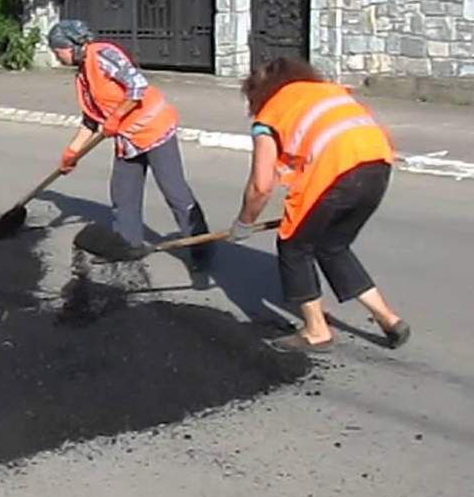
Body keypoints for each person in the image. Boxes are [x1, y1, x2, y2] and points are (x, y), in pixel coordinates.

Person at [229, 57, 410, 353]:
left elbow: (261, 186)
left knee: (293, 246)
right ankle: (389, 320)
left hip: (336, 174)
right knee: (332, 246)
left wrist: (244, 223)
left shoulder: (271, 115)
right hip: (378, 167)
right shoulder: (329, 92)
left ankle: (316, 331)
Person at [48, 19, 211, 270]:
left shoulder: (103, 55)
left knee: (174, 192)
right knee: (123, 194)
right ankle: (128, 245)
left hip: (154, 130)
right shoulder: (82, 76)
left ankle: (201, 248)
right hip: (128, 138)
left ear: (72, 46)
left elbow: (137, 86)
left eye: (58, 51)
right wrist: (72, 152)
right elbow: (91, 120)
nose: (57, 57)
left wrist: (115, 117)